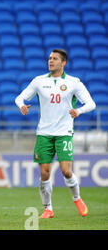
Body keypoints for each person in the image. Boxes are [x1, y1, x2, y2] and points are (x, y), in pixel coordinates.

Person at [15, 48, 96, 219]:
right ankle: (48, 209)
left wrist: (79, 111)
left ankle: (77, 198)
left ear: (63, 62)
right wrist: (21, 105)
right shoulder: (39, 81)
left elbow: (91, 104)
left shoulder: (74, 82)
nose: (50, 61)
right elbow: (19, 98)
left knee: (66, 171)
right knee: (45, 172)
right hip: (44, 133)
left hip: (64, 132)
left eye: (55, 58)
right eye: (49, 58)